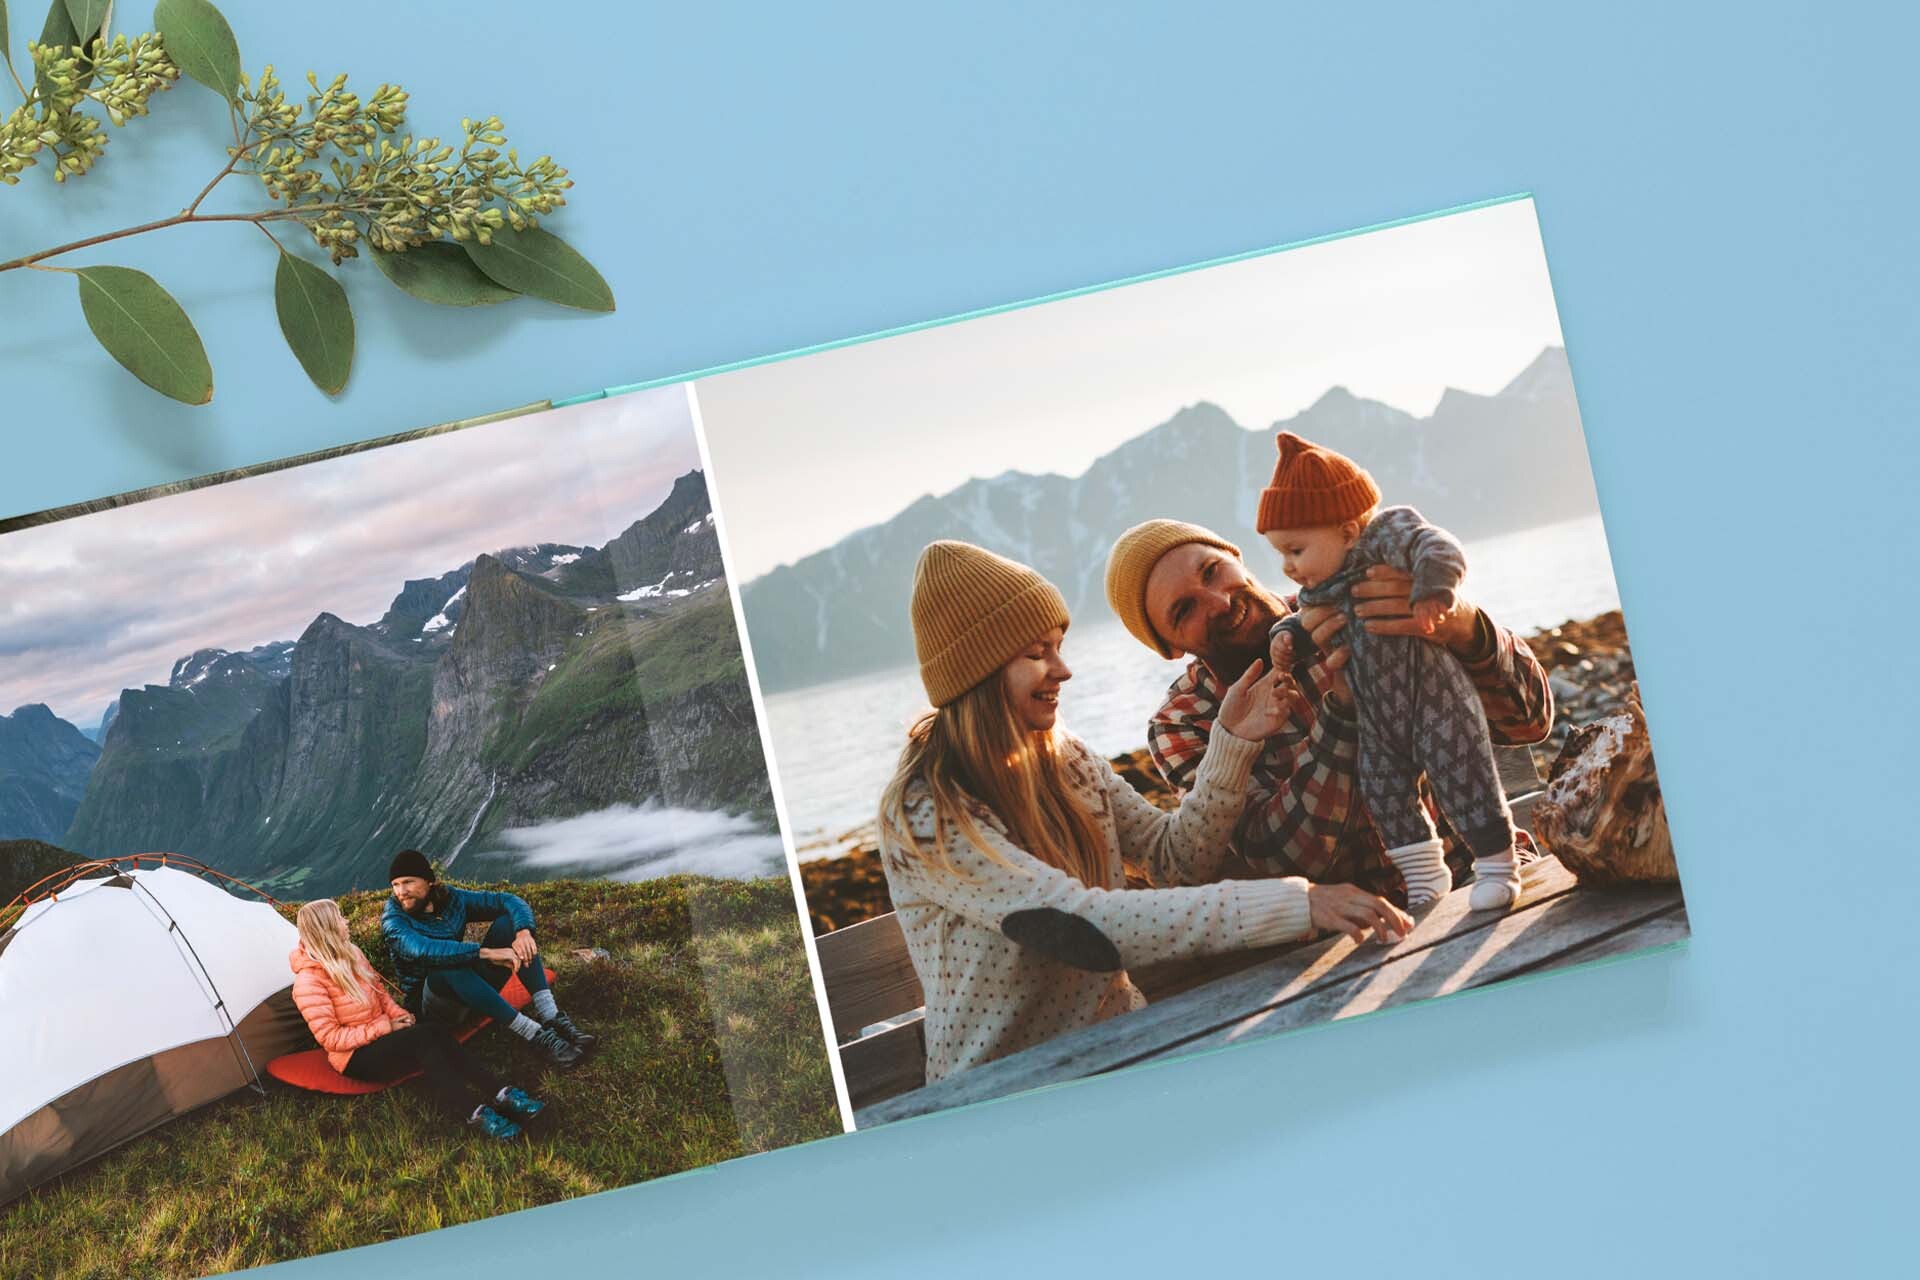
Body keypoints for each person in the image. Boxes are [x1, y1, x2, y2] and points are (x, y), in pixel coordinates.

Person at [877, 540, 1410, 1082]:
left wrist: (1230, 743)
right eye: (1037, 654)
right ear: (978, 674)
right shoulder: (926, 810)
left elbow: (1174, 859)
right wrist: (1301, 902)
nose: (1063, 670)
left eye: (1059, 646)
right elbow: (1076, 923)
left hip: (1125, 1046)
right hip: (1004, 1089)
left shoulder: (1067, 758)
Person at [1103, 507, 1552, 908]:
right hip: (1358, 936)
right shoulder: (1185, 721)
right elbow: (1282, 859)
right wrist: (1342, 715)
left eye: (1211, 571)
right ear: (1168, 647)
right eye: (1184, 610)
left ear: (1237, 557)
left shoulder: (1359, 595)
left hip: (1492, 870)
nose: (1219, 602)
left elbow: (1531, 722)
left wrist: (1463, 627)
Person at [1255, 431, 1524, 909]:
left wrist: (1436, 592)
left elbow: (1437, 546)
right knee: (1384, 793)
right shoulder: (1322, 586)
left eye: (1296, 550)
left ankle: (1498, 868)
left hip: (1434, 699)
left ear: (1346, 531)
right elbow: (1301, 619)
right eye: (1281, 555)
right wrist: (1284, 639)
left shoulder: (1384, 540)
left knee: (1466, 774)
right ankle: (1425, 878)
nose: (1289, 568)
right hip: (1378, 723)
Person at [291, 899, 546, 1141]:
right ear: (325, 929)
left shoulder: (352, 953)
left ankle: (499, 1094)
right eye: (339, 918)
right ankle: (475, 1110)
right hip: (355, 1058)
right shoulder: (308, 982)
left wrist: (397, 1015)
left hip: (382, 1036)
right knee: (424, 1039)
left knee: (432, 1035)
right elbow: (330, 1038)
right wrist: (385, 1027)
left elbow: (379, 992)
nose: (346, 922)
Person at [380, 850, 595, 1068]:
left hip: (472, 989)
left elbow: (507, 900)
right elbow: (424, 950)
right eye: (395, 885)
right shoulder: (393, 920)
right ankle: (536, 1036)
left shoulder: (451, 899)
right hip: (436, 1007)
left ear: (430, 881)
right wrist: (486, 953)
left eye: (408, 882)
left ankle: (552, 1018)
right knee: (446, 966)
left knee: (508, 924)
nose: (401, 892)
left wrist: (523, 932)